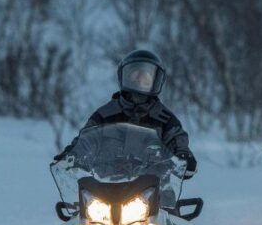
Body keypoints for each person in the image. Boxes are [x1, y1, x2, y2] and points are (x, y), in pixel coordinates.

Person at [56, 49, 197, 178]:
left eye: (146, 75)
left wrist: (183, 156)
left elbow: (177, 140)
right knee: (81, 205)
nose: (140, 79)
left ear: (156, 80)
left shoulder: (165, 119)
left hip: (154, 192)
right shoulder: (105, 115)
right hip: (104, 188)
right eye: (135, 74)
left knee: (166, 204)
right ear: (124, 76)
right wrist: (72, 153)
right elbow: (86, 140)